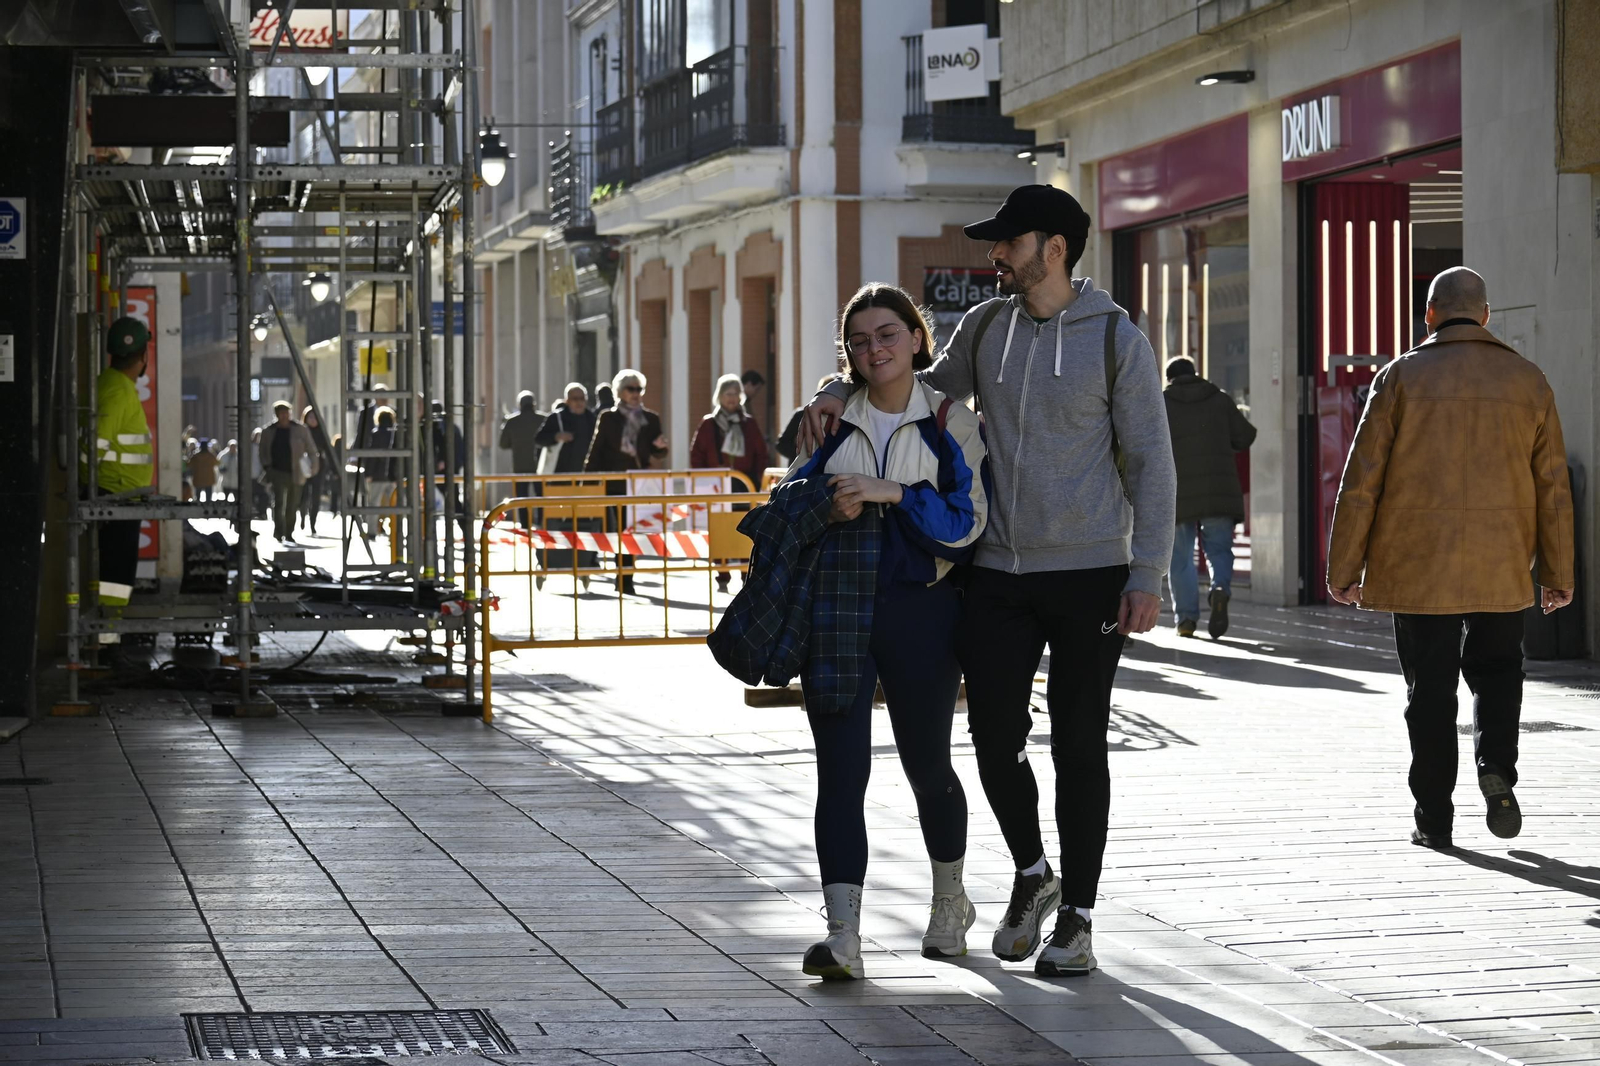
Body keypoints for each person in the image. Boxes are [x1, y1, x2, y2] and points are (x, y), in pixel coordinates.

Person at [800, 184, 1175, 977]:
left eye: (1009, 242)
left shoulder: (1116, 340)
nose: (995, 255)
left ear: (1056, 248)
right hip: (998, 570)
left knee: (1078, 743)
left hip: (1091, 571)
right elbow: (912, 383)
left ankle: (1077, 916)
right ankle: (1035, 874)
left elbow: (1151, 461)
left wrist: (1148, 572)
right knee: (996, 741)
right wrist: (836, 388)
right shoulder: (987, 326)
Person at [777, 283, 988, 980]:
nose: (876, 350)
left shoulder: (951, 422)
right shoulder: (827, 422)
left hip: (923, 612)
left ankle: (950, 904)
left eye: (888, 334)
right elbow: (782, 509)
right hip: (836, 610)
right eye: (861, 340)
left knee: (928, 763)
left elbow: (968, 523)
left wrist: (891, 493)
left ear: (918, 338)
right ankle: (843, 938)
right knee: (840, 774)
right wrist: (822, 504)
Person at [1327, 267, 1574, 850]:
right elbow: (1553, 487)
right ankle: (1498, 770)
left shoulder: (1399, 378)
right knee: (1498, 674)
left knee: (1430, 692)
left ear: (1430, 314)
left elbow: (1361, 481)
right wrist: (1558, 574)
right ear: (1486, 316)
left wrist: (1344, 570)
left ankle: (1434, 816)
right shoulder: (1528, 380)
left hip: (1417, 567)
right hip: (1502, 563)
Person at [1162, 356, 1256, 639]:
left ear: (1169, 379)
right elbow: (1245, 437)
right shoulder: (1220, 400)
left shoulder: (1162, 404)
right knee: (1218, 549)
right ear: (1196, 374)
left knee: (1179, 558)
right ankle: (1219, 589)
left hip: (1179, 494)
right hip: (1219, 491)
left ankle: (1187, 620)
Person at [83, 317, 155, 645]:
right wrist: (90, 486)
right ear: (143, 357)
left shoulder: (113, 384)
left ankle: (108, 641)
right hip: (115, 497)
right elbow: (96, 443)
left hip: (119, 495)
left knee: (116, 573)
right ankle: (108, 644)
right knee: (116, 574)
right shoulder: (116, 388)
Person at [585, 369, 667, 595]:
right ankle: (624, 576)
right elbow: (597, 450)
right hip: (615, 482)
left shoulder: (651, 418)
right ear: (619, 392)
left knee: (633, 531)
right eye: (631, 389)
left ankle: (627, 575)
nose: (636, 394)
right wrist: (587, 481)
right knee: (620, 529)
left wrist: (661, 448)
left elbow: (657, 451)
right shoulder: (608, 417)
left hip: (639, 484)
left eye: (639, 389)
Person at [692, 373, 772, 591]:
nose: (732, 398)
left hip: (743, 485)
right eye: (728, 394)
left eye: (736, 394)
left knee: (744, 528)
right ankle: (722, 574)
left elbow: (761, 454)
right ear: (720, 396)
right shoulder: (709, 424)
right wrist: (706, 477)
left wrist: (756, 480)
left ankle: (746, 573)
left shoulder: (748, 423)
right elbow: (697, 454)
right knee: (721, 528)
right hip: (717, 486)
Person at [535, 384, 601, 582]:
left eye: (582, 398)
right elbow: (539, 439)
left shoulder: (592, 418)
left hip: (586, 482)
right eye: (575, 399)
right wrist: (556, 436)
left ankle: (587, 562)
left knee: (586, 523)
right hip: (558, 482)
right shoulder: (557, 418)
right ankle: (546, 562)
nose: (579, 402)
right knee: (552, 522)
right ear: (567, 400)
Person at [257, 401, 319, 543]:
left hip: (296, 473)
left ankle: (289, 532)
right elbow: (263, 452)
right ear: (277, 414)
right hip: (277, 472)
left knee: (293, 504)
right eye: (281, 413)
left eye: (287, 413)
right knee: (279, 503)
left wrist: (313, 466)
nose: (284, 416)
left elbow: (311, 449)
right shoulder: (268, 431)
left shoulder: (300, 429)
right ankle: (279, 531)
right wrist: (267, 466)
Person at [499, 391, 544, 530]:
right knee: (541, 496)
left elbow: (503, 444)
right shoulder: (543, 419)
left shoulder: (512, 421)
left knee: (521, 498)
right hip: (540, 466)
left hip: (520, 466)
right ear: (533, 404)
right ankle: (541, 521)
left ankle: (525, 525)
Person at [779, 375, 839, 465]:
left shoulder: (841, 417)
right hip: (802, 469)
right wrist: (802, 453)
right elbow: (781, 444)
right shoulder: (801, 415)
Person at [432, 400, 470, 541]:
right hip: (452, 470)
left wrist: (443, 464)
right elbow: (461, 450)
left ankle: (461, 529)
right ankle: (465, 530)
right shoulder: (453, 427)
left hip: (441, 471)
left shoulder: (438, 428)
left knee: (449, 501)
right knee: (453, 502)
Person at [362, 406, 398, 540]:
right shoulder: (395, 433)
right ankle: (394, 532)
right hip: (392, 476)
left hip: (377, 475)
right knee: (394, 505)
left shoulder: (375, 433)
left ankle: (371, 532)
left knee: (374, 504)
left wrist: (368, 474)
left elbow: (372, 455)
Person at [297, 407, 331, 537]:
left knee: (316, 496)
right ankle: (302, 518)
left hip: (319, 467)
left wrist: (334, 469)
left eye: (315, 417)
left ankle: (312, 524)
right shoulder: (302, 431)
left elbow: (328, 450)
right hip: (304, 465)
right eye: (310, 417)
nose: (313, 420)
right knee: (304, 495)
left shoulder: (322, 432)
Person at [189, 437, 220, 503]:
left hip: (198, 479)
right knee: (208, 500)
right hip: (209, 480)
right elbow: (217, 463)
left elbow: (189, 465)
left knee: (198, 499)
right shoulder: (211, 456)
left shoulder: (195, 456)